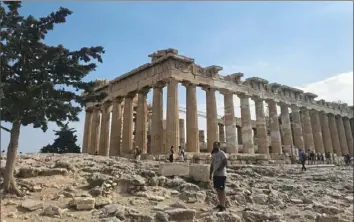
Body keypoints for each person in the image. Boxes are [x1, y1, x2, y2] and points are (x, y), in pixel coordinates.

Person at [210, 141, 228, 212]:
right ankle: (220, 204)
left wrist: (220, 168)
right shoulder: (213, 154)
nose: (215, 146)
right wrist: (210, 174)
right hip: (215, 174)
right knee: (217, 189)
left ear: (219, 146)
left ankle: (223, 205)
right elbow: (212, 165)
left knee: (222, 189)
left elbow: (225, 162)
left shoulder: (222, 153)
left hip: (221, 174)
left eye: (216, 145)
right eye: (214, 145)